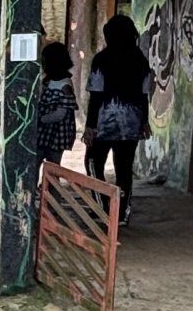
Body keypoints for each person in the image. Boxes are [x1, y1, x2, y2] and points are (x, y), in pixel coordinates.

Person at [84, 13, 152, 198]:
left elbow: (96, 96)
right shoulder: (141, 61)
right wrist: (144, 121)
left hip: (104, 123)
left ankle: (101, 206)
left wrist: (90, 126)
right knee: (124, 169)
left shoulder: (101, 60)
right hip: (132, 123)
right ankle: (122, 213)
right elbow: (144, 95)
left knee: (93, 163)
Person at [32, 40, 78, 168]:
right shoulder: (48, 81)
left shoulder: (65, 85)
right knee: (35, 164)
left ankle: (51, 188)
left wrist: (41, 119)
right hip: (43, 132)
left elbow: (60, 114)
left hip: (57, 134)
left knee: (53, 167)